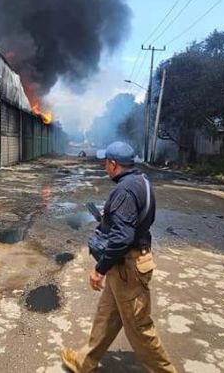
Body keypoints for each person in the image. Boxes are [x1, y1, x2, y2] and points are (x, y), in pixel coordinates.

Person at [61, 141, 177, 373]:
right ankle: (84, 362)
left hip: (128, 268)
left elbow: (122, 238)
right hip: (126, 266)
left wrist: (99, 269)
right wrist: (110, 216)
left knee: (139, 327)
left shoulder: (124, 190)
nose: (105, 167)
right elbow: (137, 219)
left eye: (106, 163)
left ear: (114, 164)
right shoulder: (141, 181)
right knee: (106, 316)